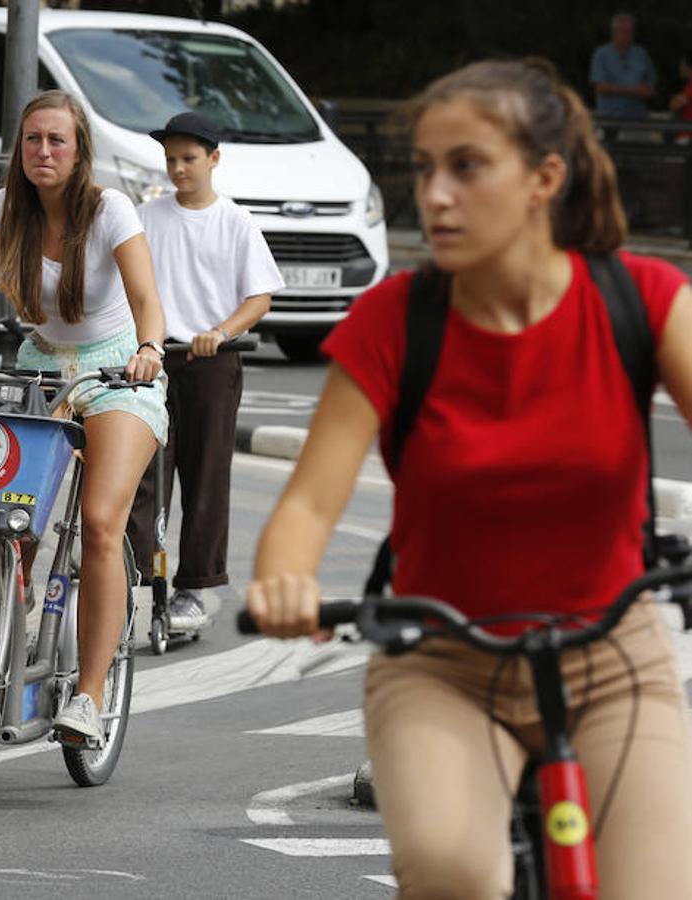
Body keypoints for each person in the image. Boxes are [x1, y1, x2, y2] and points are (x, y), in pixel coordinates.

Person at [244, 59, 692, 897]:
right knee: (454, 872)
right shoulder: (394, 319)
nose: (435, 195)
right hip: (441, 666)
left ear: (542, 180)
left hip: (610, 657)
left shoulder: (642, 301)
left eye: (466, 166)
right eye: (422, 168)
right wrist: (283, 576)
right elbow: (308, 499)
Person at [0, 90, 167, 746]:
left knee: (101, 524)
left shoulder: (108, 211)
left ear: (78, 153)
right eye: (33, 140)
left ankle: (89, 698)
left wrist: (151, 350)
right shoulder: (5, 208)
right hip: (38, 367)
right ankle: (3, 652)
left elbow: (144, 298)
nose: (43, 152)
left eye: (57, 141)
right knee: (8, 523)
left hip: (115, 371)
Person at [124, 111, 282, 631]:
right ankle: (129, 574)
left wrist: (222, 328)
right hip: (152, 356)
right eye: (170, 159)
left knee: (206, 472)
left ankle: (197, 587)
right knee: (142, 472)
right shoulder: (148, 217)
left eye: (189, 158)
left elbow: (259, 295)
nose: (178, 168)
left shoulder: (234, 221)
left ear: (214, 159)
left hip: (213, 361)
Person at [589, 11, 656, 120]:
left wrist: (646, 92)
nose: (629, 36)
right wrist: (633, 90)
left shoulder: (641, 54)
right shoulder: (601, 55)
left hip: (638, 119)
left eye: (631, 32)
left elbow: (651, 85)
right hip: (610, 119)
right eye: (625, 32)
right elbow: (600, 87)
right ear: (615, 32)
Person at [670, 49, 692, 143]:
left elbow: (674, 105)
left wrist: (676, 98)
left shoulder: (690, 87)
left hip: (687, 137)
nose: (680, 68)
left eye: (682, 64)